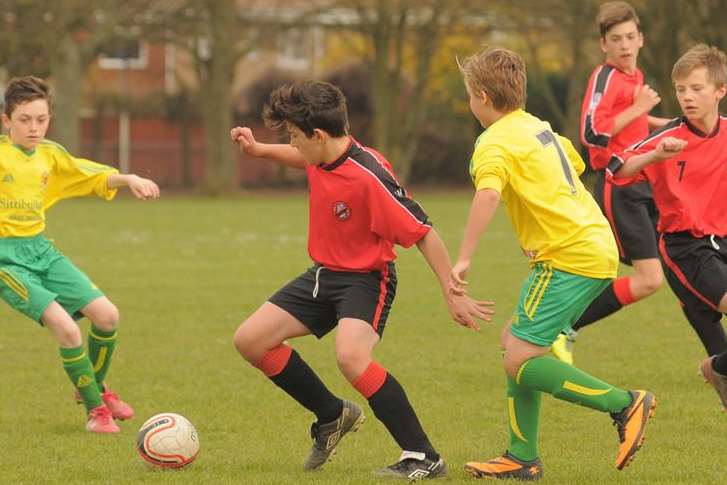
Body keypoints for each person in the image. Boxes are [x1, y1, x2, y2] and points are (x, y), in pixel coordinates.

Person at [230, 80, 493, 479]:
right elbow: (305, 158)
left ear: (319, 135)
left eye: (296, 136)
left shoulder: (369, 177)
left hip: (367, 279)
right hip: (323, 274)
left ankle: (424, 456)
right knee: (250, 340)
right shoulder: (321, 153)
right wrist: (260, 149)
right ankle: (332, 415)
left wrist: (452, 292)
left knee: (351, 356)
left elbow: (423, 231)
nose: (294, 143)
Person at [450, 47, 655, 481]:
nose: (470, 103)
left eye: (469, 95)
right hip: (591, 243)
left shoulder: (493, 142)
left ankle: (623, 403)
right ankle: (521, 457)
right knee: (516, 343)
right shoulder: (537, 126)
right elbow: (572, 164)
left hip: (569, 254)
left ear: (483, 96)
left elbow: (488, 194)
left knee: (519, 357)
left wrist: (464, 257)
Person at [0, 76, 160, 433]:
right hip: (5, 259)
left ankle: (90, 386)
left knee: (107, 316)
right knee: (67, 329)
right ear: (6, 120)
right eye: (25, 119)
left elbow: (89, 175)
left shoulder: (49, 155)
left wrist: (129, 178)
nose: (34, 128)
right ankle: (96, 412)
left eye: (41, 119)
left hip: (40, 248)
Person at [606, 44, 727, 411]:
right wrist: (654, 156)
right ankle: (717, 367)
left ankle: (719, 368)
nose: (687, 97)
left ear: (720, 90)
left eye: (696, 88)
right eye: (681, 90)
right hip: (687, 249)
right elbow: (616, 169)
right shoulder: (669, 138)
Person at [552, 1, 671, 364]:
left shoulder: (634, 77)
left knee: (668, 262)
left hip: (644, 181)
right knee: (650, 277)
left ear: (641, 40)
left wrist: (664, 123)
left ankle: (550, 323)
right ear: (604, 44)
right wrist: (638, 110)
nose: (624, 45)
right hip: (619, 185)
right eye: (616, 39)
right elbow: (591, 134)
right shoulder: (604, 77)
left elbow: (629, 121)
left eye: (630, 37)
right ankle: (561, 326)